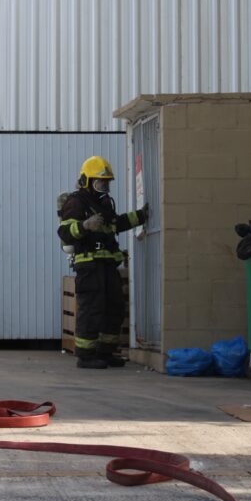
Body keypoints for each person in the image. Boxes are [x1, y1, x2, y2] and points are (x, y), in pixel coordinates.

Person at [57, 156, 149, 369]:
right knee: (92, 310)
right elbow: (64, 232)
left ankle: (105, 353)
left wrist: (141, 216)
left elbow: (115, 224)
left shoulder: (105, 203)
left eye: (107, 183)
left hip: (108, 265)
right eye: (100, 183)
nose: (104, 187)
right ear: (86, 181)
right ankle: (86, 356)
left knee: (114, 308)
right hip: (89, 266)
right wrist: (84, 226)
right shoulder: (76, 202)